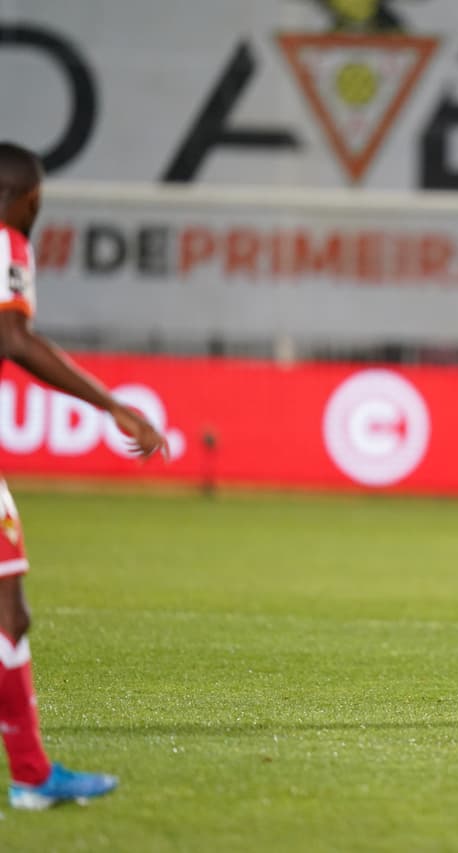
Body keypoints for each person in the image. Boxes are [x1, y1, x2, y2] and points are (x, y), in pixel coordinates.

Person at [0, 142, 168, 809]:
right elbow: (14, 340)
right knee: (8, 614)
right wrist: (111, 403)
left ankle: (32, 773)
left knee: (10, 612)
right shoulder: (6, 241)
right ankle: (32, 775)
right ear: (27, 199)